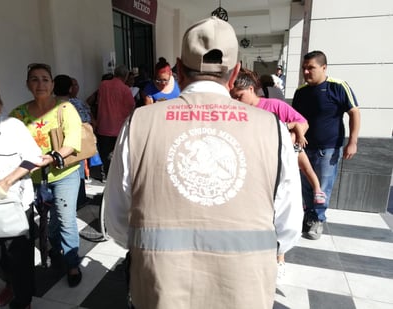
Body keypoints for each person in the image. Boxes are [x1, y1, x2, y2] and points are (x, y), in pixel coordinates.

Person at [104, 17, 303, 308]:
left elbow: (117, 219)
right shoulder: (272, 127)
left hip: (159, 285)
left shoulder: (140, 121)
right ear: (235, 73)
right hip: (243, 288)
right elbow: (288, 225)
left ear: (178, 69)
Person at [231, 67, 325, 280]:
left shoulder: (274, 105)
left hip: (279, 165)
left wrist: (290, 135)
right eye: (233, 97)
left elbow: (302, 122)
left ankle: (279, 259)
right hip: (255, 169)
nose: (236, 100)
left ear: (252, 89)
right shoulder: (238, 112)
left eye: (239, 96)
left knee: (280, 213)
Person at [0, 65, 51, 309]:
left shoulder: (12, 127)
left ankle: (23, 300)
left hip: (15, 204)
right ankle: (11, 284)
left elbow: (34, 157)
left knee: (20, 258)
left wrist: (7, 180)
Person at [9, 63, 83, 287]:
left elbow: (73, 139)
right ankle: (56, 249)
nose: (40, 84)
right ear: (27, 84)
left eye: (44, 79)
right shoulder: (18, 114)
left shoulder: (64, 108)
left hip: (64, 174)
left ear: (51, 84)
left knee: (66, 220)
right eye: (34, 79)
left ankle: (72, 263)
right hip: (33, 178)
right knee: (47, 223)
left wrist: (52, 157)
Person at [292, 50, 361, 240]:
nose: (306, 72)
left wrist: (352, 141)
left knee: (322, 186)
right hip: (304, 148)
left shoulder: (338, 87)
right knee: (306, 184)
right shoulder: (301, 92)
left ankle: (317, 219)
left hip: (328, 148)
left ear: (324, 68)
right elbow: (295, 119)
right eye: (304, 68)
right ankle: (308, 215)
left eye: (311, 68)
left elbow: (354, 112)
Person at [53, 75, 91, 206]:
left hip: (54, 146)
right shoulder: (75, 104)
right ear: (70, 89)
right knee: (77, 171)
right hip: (73, 143)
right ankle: (79, 200)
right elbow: (86, 120)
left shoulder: (48, 105)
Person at [96, 65, 135, 178]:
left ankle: (107, 175)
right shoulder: (125, 89)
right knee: (119, 154)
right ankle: (117, 176)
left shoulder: (103, 85)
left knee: (104, 154)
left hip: (103, 126)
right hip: (118, 127)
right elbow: (131, 107)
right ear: (126, 76)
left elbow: (98, 100)